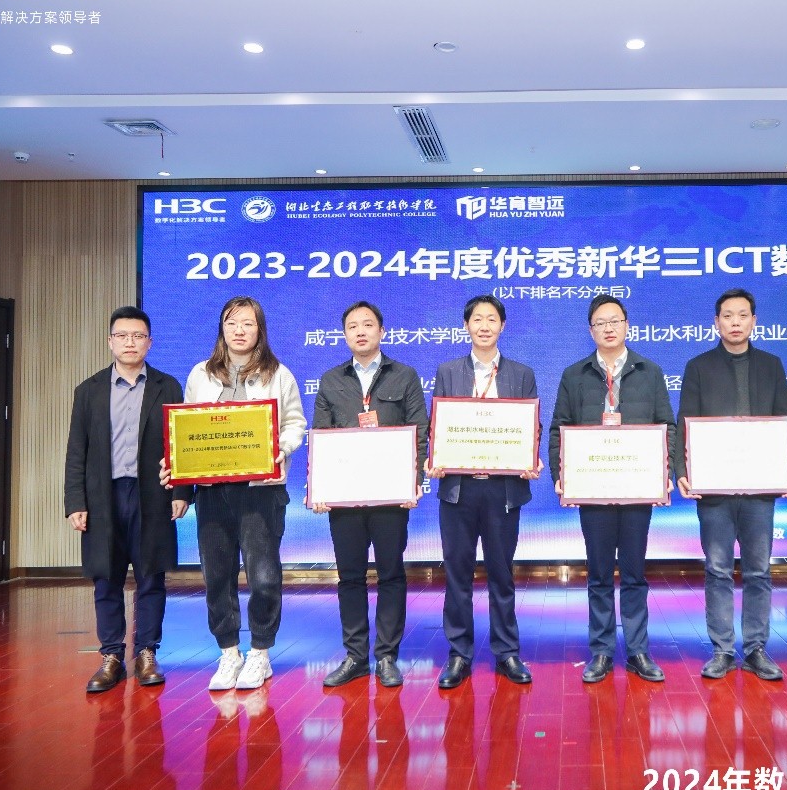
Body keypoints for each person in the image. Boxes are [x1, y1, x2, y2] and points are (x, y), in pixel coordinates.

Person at [182, 296, 307, 692]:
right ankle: (229, 652)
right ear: (221, 328)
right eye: (232, 323)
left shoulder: (278, 373)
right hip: (213, 489)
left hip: (261, 491)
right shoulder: (200, 374)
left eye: (248, 324)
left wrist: (280, 448)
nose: (239, 330)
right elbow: (186, 427)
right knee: (217, 575)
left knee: (264, 575)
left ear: (260, 330)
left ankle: (260, 652)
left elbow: (295, 423)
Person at [549, 294, 675, 683]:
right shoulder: (575, 375)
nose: (608, 328)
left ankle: (638, 650)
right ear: (591, 330)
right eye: (600, 322)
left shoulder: (649, 372)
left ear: (627, 326)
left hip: (637, 488)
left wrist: (664, 470)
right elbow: (559, 429)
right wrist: (561, 473)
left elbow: (666, 426)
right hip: (594, 488)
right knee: (600, 572)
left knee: (634, 572)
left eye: (615, 321)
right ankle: (602, 651)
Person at [65, 306, 191, 693]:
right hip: (103, 497)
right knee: (106, 578)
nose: (130, 342)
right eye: (122, 336)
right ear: (110, 342)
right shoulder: (89, 391)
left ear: (150, 343)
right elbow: (76, 451)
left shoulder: (168, 386)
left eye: (138, 336)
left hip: (152, 495)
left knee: (152, 576)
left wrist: (181, 490)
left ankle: (147, 652)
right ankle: (111, 657)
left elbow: (181, 443)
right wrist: (75, 501)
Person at [675, 288, 787, 682]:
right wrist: (683, 469)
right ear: (717, 322)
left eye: (743, 315)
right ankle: (723, 650)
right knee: (718, 569)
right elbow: (686, 422)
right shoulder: (698, 367)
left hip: (760, 487)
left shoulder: (772, 365)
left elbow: (784, 420)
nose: (736, 322)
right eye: (728, 315)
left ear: (754, 321)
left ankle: (756, 648)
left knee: (759, 570)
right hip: (715, 488)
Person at [313, 301, 428, 689]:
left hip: (390, 496)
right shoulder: (331, 380)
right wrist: (321, 487)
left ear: (382, 331)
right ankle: (355, 656)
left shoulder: (405, 375)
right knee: (350, 576)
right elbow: (321, 438)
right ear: (344, 334)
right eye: (352, 326)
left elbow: (419, 433)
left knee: (391, 573)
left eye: (367, 324)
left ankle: (387, 656)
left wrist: (413, 482)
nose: (360, 331)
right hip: (345, 499)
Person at [427, 295, 539, 689]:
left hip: (502, 490)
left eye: (492, 319)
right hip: (458, 490)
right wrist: (436, 456)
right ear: (466, 326)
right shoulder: (448, 371)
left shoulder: (521, 374)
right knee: (457, 573)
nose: (485, 326)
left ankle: (507, 651)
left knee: (501, 573)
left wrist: (529, 457)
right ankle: (459, 654)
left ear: (502, 326)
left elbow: (531, 426)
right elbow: (437, 424)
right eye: (477, 319)